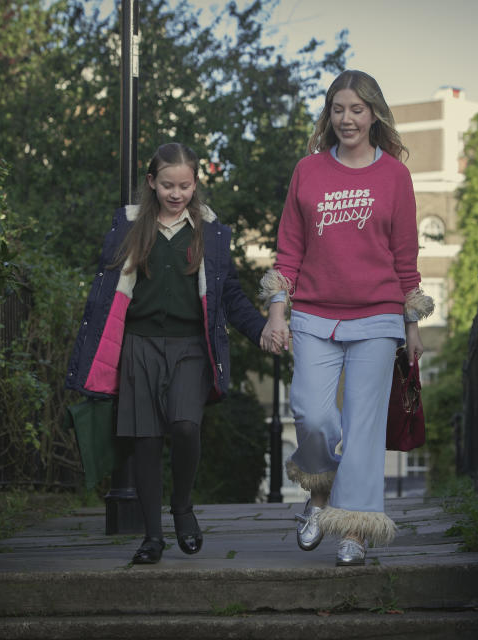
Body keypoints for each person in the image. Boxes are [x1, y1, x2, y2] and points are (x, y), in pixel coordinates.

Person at [66, 142, 282, 564]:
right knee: (145, 441)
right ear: (151, 183)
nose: (176, 193)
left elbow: (230, 294)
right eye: (167, 185)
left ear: (196, 183)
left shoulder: (211, 232)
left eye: (184, 185)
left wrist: (260, 330)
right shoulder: (128, 227)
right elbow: (105, 294)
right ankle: (151, 537)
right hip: (138, 346)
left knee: (185, 426)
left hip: (190, 347)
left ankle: (182, 507)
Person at [261, 70, 434, 566]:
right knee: (312, 415)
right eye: (338, 109)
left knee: (363, 426)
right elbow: (288, 249)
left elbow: (405, 256)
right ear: (328, 114)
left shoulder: (395, 176)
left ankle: (354, 528)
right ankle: (319, 497)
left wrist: (412, 325)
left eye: (357, 109)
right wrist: (278, 313)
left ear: (374, 113)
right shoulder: (309, 170)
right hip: (314, 315)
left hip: (378, 317)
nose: (347, 119)